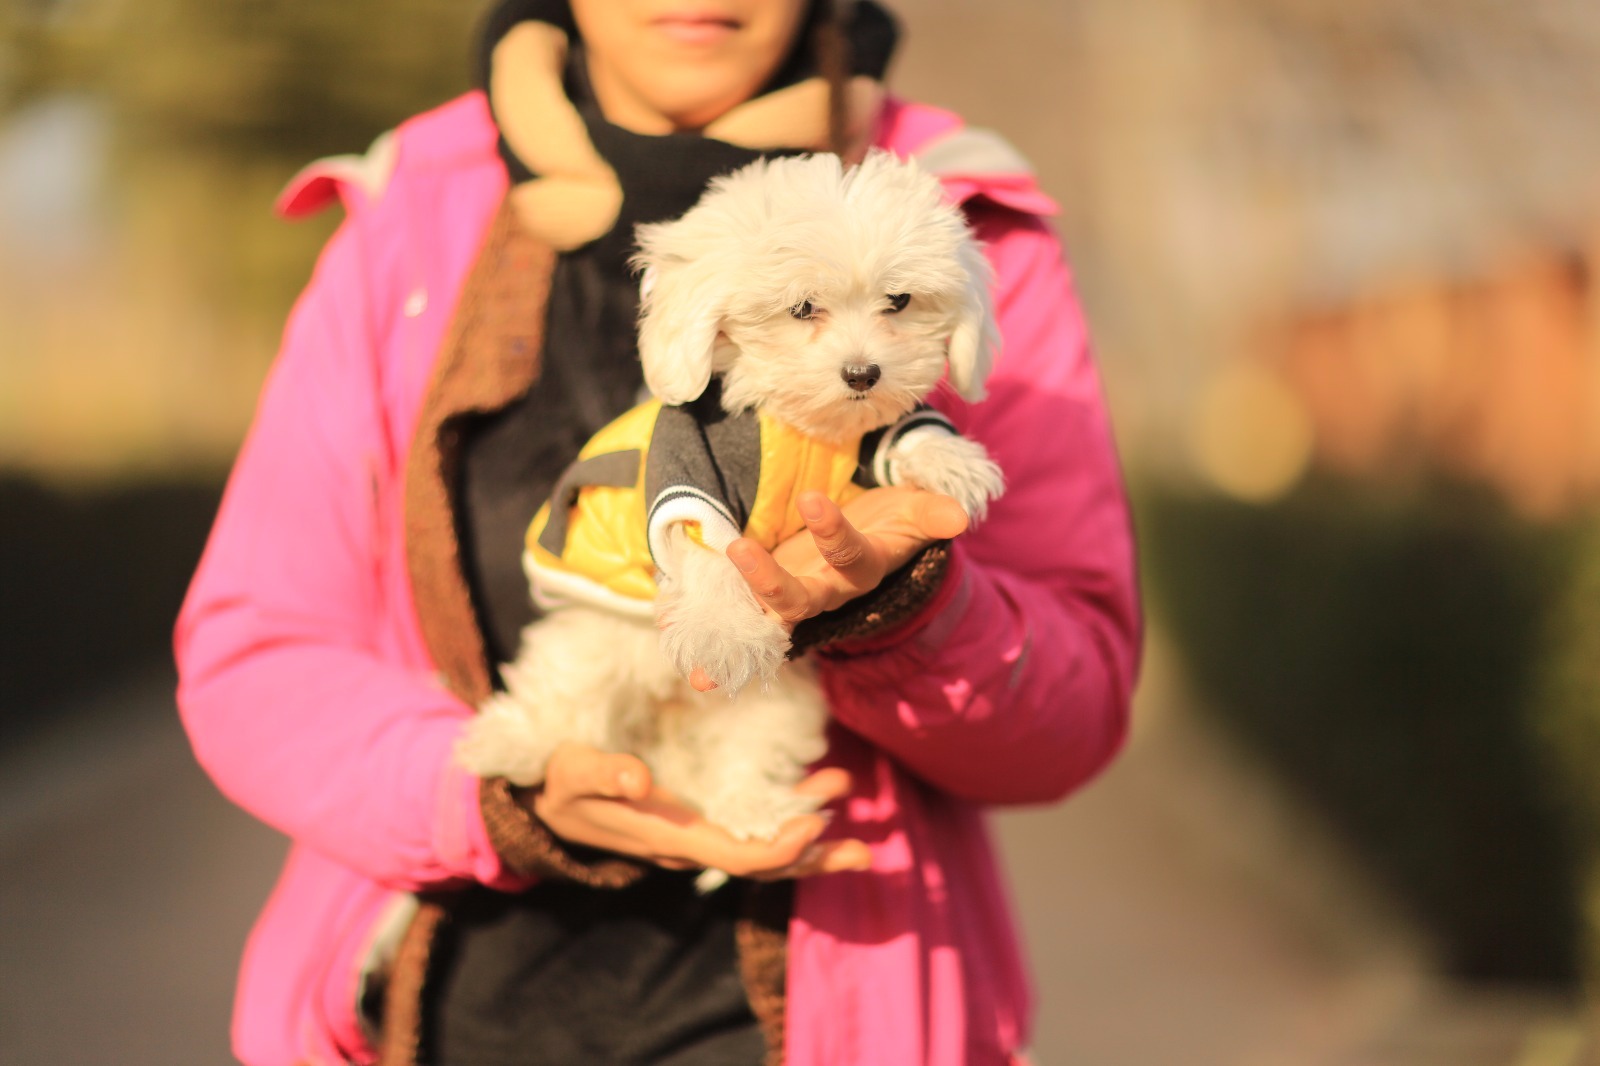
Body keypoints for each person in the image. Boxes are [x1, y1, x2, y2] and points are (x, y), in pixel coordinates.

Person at [174, 1, 1142, 1063]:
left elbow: (1077, 704)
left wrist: (906, 611)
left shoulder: (961, 213)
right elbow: (255, 655)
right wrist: (490, 799)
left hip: (825, 1009)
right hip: (447, 1009)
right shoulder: (406, 211)